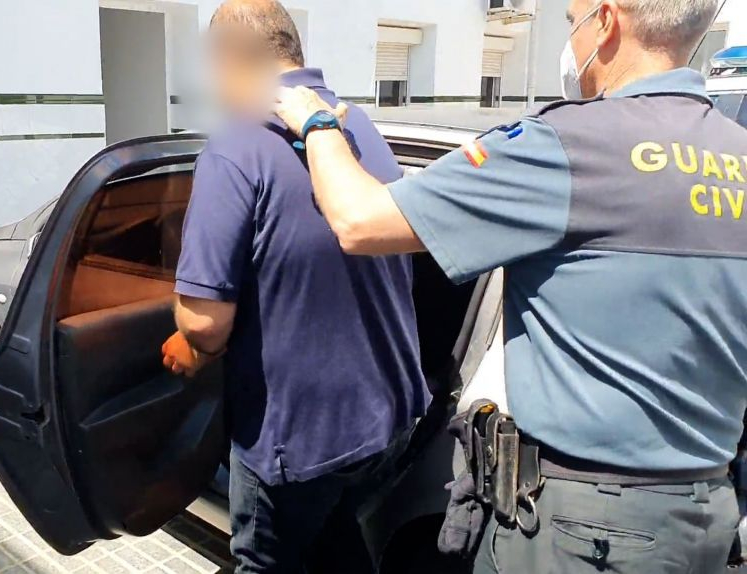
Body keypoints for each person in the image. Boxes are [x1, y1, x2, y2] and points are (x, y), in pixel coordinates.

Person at [273, 0, 746, 572]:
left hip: (584, 530)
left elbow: (358, 221)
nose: (570, 42)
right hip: (707, 514)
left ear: (605, 20)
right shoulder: (737, 154)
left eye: (571, 22)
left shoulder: (565, 147)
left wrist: (318, 124)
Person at [159, 1, 431, 571]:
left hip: (300, 441)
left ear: (225, 60)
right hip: (389, 416)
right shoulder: (356, 127)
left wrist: (189, 335)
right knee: (338, 546)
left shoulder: (235, 150)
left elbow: (205, 325)